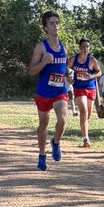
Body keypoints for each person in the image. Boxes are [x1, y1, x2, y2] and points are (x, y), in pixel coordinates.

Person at [27, 10, 69, 171]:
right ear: (45, 27)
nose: (56, 26)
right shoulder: (40, 47)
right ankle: (42, 155)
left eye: (57, 23)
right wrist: (44, 62)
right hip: (44, 91)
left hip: (60, 91)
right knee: (43, 124)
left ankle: (56, 143)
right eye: (52, 23)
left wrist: (68, 75)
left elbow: (63, 68)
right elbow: (31, 71)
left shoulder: (64, 47)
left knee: (63, 119)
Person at [70, 37, 101, 148]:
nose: (85, 48)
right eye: (83, 46)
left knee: (87, 115)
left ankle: (84, 130)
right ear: (80, 47)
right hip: (78, 88)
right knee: (83, 111)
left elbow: (99, 72)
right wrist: (69, 78)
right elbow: (66, 69)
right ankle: (86, 138)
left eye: (87, 46)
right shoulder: (74, 59)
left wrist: (91, 75)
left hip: (91, 88)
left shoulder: (92, 60)